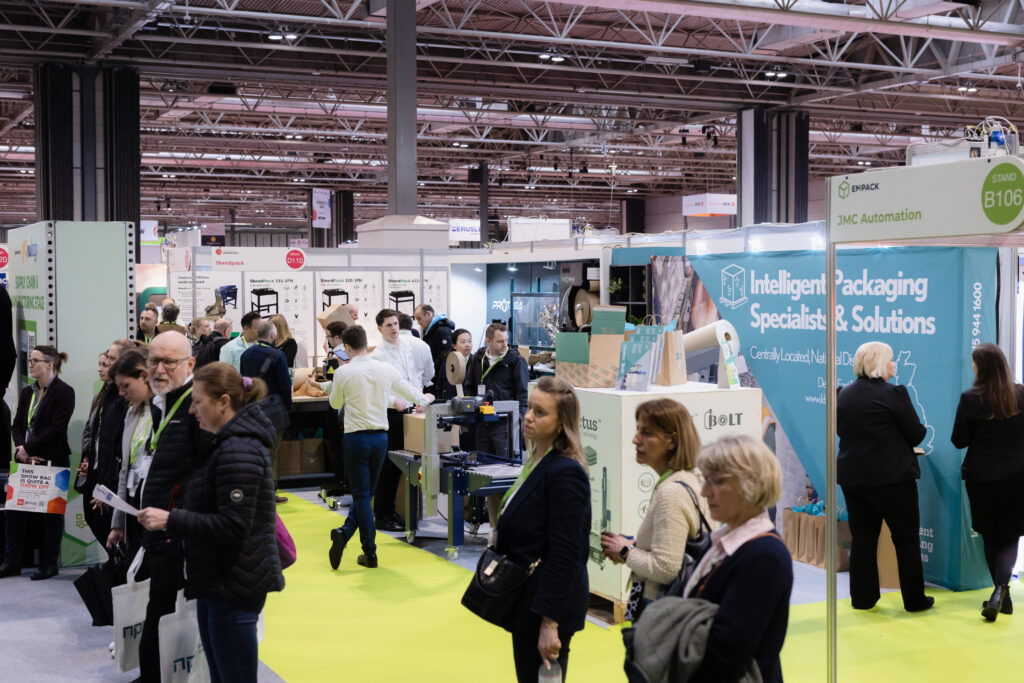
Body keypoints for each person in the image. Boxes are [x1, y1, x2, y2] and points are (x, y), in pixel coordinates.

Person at [138, 363, 284, 683]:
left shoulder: (239, 449)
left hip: (234, 581)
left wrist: (171, 520)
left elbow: (233, 525)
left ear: (223, 402)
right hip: (217, 578)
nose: (192, 410)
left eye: (197, 402)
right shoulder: (224, 444)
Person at [494, 376, 590, 682]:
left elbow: (566, 554)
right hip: (528, 599)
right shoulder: (538, 460)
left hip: (547, 605)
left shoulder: (566, 472)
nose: (528, 417)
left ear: (561, 423)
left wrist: (550, 624)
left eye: (540, 412)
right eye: (529, 408)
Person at [314, 326, 432, 570]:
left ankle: (369, 552)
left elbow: (335, 403)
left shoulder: (344, 372)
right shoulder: (385, 369)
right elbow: (412, 395)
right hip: (380, 439)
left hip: (355, 439)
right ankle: (345, 534)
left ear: (347, 347)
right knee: (366, 494)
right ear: (366, 343)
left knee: (361, 495)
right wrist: (426, 398)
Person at [681, 435, 792, 683]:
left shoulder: (764, 556)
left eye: (717, 481)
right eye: (705, 480)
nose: (704, 491)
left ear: (751, 483)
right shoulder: (727, 541)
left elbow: (727, 651)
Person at [838, 341, 932, 612]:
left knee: (863, 537)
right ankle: (914, 601)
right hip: (893, 479)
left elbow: (841, 431)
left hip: (854, 478)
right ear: (879, 364)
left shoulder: (842, 394)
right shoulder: (894, 394)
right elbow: (916, 434)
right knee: (906, 539)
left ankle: (863, 599)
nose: (894, 364)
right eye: (891, 359)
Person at [137, 332, 206, 682]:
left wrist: (179, 520)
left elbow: (205, 475)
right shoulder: (159, 401)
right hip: (158, 526)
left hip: (177, 531)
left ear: (190, 364)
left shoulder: (196, 406)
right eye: (154, 361)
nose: (159, 369)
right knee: (158, 606)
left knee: (166, 609)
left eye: (169, 362)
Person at [599, 398, 706, 620]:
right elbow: (676, 546)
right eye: (638, 430)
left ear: (671, 441)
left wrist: (625, 551)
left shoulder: (671, 493)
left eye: (647, 433)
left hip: (659, 609)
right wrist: (633, 545)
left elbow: (665, 569)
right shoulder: (687, 479)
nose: (635, 440)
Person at [951, 343, 1024, 621]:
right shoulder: (1021, 394)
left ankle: (1000, 593)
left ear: (980, 366)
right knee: (1010, 534)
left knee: (989, 533)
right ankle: (1002, 594)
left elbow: (959, 440)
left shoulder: (970, 398)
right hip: (1018, 476)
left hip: (981, 477)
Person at [0, 345, 75, 580]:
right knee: (14, 512)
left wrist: (28, 449)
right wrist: (22, 449)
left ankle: (49, 563)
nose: (30, 364)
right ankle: (11, 562)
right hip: (25, 459)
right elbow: (17, 425)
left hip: (53, 459)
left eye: (35, 361)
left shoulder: (64, 392)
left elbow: (56, 428)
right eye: (30, 360)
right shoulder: (27, 392)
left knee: (52, 515)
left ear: (50, 365)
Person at [370, 308, 434, 531]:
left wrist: (420, 400)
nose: (394, 328)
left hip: (412, 411)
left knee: (405, 466)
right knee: (390, 465)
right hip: (392, 414)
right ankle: (382, 515)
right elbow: (377, 391)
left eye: (396, 324)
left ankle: (393, 511)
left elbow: (414, 378)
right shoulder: (377, 356)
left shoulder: (407, 346)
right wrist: (393, 401)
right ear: (380, 329)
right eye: (388, 325)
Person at [463, 323, 530, 525]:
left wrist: (521, 425)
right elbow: (469, 386)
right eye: (500, 341)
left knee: (505, 476)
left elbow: (523, 395)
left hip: (506, 426)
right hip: (483, 424)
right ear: (488, 341)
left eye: (506, 341)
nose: (504, 345)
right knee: (486, 475)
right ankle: (493, 525)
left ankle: (509, 524)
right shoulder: (477, 359)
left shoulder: (515, 361)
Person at [80, 340, 131, 548]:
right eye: (104, 359)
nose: (106, 364)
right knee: (92, 517)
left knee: (105, 525)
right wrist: (87, 457)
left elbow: (116, 447)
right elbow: (94, 433)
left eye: (111, 359)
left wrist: (107, 488)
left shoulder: (123, 399)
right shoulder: (105, 394)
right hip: (96, 470)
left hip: (111, 477)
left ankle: (117, 565)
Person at [107, 350, 153, 558]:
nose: (121, 393)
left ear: (143, 376)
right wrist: (118, 523)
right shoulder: (132, 412)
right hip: (132, 501)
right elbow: (125, 470)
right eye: (118, 387)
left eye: (125, 385)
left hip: (154, 504)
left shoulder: (164, 412)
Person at [240, 320, 292, 504]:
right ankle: (269, 493)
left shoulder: (245, 354)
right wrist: (287, 408)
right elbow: (285, 385)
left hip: (251, 409)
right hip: (273, 411)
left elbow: (244, 382)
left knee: (252, 451)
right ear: (272, 335)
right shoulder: (277, 355)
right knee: (271, 452)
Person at [415, 304, 457, 400]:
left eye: (419, 319)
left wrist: (429, 369)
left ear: (428, 314)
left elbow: (445, 356)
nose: (418, 322)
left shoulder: (442, 330)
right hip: (431, 378)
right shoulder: (431, 330)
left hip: (438, 381)